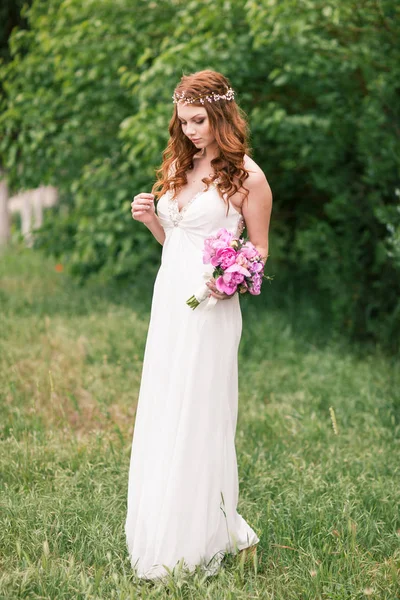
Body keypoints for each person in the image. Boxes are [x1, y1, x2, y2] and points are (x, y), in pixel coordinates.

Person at [125, 69, 272, 580]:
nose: (190, 130)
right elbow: (175, 245)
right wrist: (151, 220)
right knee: (166, 406)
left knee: (199, 410)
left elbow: (258, 250)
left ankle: (206, 533)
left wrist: (227, 281)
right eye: (183, 120)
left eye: (199, 119)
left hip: (211, 308)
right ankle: (167, 522)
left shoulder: (247, 176)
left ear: (221, 115)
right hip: (171, 301)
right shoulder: (177, 165)